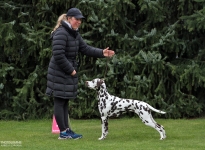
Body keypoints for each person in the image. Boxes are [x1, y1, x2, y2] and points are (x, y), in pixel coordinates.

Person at [46, 8, 115, 140]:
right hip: (59, 72)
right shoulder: (61, 33)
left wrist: (102, 53)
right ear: (69, 19)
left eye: (80, 20)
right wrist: (71, 70)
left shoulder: (74, 34)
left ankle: (67, 131)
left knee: (64, 101)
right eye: (76, 19)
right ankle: (64, 133)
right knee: (60, 101)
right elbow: (58, 55)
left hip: (66, 72)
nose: (79, 22)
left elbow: (85, 48)